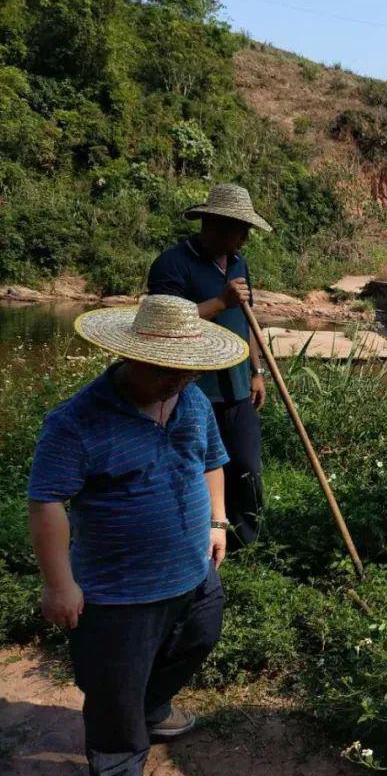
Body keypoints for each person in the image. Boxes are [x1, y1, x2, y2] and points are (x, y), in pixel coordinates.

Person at [27, 295, 250, 776]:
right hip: (119, 593)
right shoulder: (75, 422)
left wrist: (217, 521)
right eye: (164, 370)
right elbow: (46, 504)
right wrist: (59, 584)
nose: (176, 380)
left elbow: (212, 460)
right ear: (129, 357)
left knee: (199, 636)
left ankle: (152, 709)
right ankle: (118, 774)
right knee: (113, 691)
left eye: (186, 370)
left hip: (194, 571)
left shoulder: (190, 399)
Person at [148, 184, 273, 548]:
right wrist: (219, 301)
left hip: (237, 388)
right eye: (240, 229)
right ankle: (195, 544)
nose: (246, 238)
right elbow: (162, 324)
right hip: (191, 389)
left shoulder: (238, 263)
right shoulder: (172, 264)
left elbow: (247, 320)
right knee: (194, 467)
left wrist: (256, 371)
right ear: (213, 224)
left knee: (246, 467)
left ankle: (247, 545)